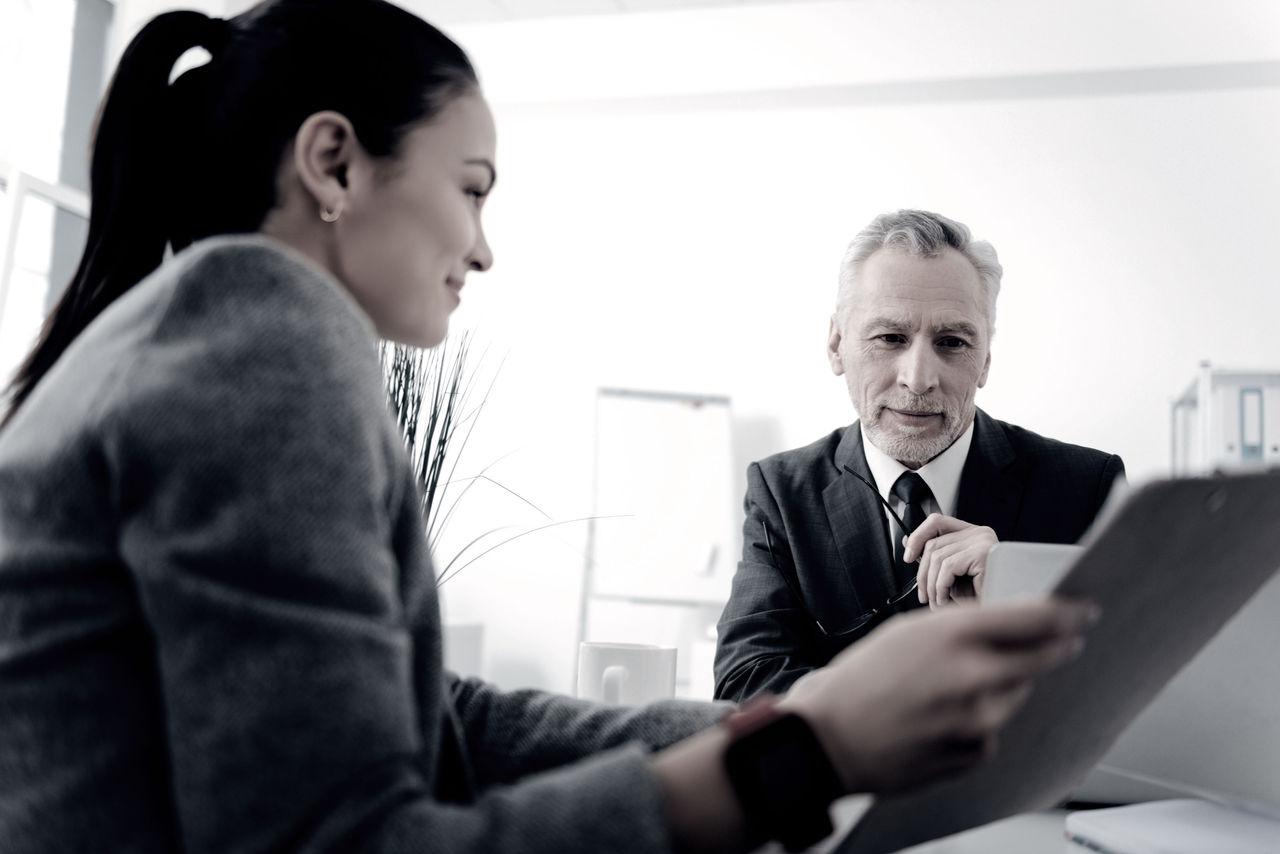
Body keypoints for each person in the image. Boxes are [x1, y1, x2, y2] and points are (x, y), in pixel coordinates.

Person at [0, 6, 1097, 852]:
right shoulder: (261, 342)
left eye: (951, 342)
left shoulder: (198, 328)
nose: (482, 249)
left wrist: (792, 724)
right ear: (332, 164)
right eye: (470, 189)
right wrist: (804, 752)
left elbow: (436, 720)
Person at [714, 210, 1124, 704]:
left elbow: (1135, 687)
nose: (918, 378)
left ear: (986, 360)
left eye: (952, 342)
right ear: (837, 344)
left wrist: (1018, 587)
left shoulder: (1089, 487)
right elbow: (743, 687)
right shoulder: (781, 491)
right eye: (890, 338)